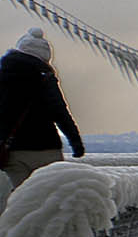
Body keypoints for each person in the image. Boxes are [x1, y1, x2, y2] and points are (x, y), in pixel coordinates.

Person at [1, 27, 84, 189]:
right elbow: (60, 112)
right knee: (47, 197)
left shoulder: (3, 76)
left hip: (12, 150)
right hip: (44, 147)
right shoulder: (44, 78)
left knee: (20, 197)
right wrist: (75, 142)